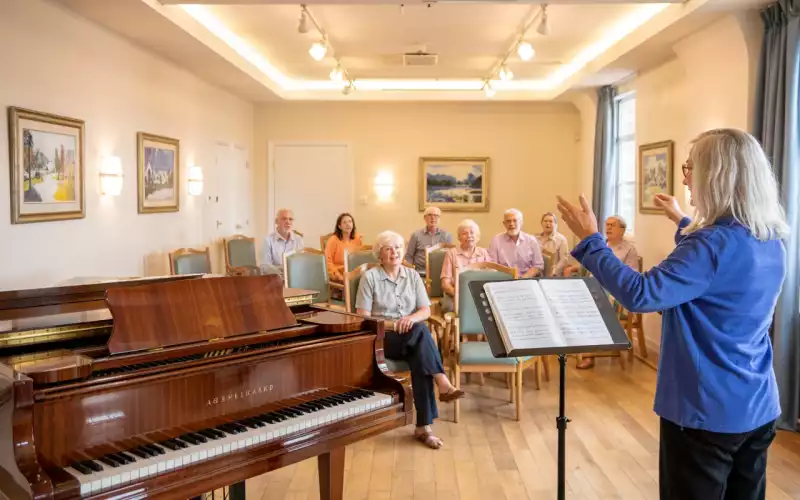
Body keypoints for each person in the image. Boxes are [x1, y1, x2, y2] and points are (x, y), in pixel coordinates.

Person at [556, 128, 788, 500]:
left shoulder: (708, 244)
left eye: (690, 166)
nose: (684, 177)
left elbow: (641, 293)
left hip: (704, 409)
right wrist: (684, 222)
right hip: (756, 404)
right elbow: (714, 274)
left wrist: (591, 241)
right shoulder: (771, 238)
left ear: (716, 174)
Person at [356, 231, 465, 449]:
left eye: (397, 247)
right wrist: (395, 324)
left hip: (410, 337)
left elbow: (425, 309)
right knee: (421, 332)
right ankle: (441, 381)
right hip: (383, 338)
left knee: (420, 350)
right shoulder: (370, 277)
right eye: (388, 248)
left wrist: (409, 319)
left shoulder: (412, 276)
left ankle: (424, 427)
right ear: (380, 253)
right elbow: (363, 316)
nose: (394, 252)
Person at [562, 215, 639, 278]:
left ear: (622, 230)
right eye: (607, 225)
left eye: (612, 225)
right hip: (592, 282)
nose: (608, 228)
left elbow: (632, 275)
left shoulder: (629, 250)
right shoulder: (599, 245)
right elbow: (588, 264)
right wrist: (574, 268)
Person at [440, 219, 490, 313]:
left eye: (472, 233)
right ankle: (455, 327)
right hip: (456, 293)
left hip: (478, 294)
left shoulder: (483, 253)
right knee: (449, 307)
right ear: (459, 237)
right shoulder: (451, 254)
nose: (469, 236)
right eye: (464, 233)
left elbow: (490, 276)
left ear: (478, 236)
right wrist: (459, 294)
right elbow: (445, 284)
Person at [488, 208, 544, 278]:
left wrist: (523, 279)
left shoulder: (531, 240)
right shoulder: (496, 240)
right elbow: (492, 265)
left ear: (521, 223)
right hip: (504, 280)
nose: (511, 224)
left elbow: (538, 266)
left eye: (515, 221)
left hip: (526, 280)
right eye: (508, 221)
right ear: (504, 224)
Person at [404, 207, 453, 275]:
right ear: (425, 218)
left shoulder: (447, 235)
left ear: (439, 219)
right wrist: (411, 272)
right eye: (430, 215)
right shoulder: (416, 235)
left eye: (436, 215)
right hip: (419, 273)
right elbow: (409, 256)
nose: (433, 218)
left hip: (440, 273)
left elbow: (450, 257)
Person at [260, 208, 303, 277]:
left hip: (295, 278)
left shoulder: (298, 240)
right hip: (275, 279)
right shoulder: (268, 240)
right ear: (276, 221)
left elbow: (301, 263)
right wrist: (283, 273)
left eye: (290, 219)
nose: (288, 222)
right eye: (284, 219)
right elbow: (265, 266)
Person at [324, 213, 363, 284]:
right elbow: (327, 261)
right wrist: (337, 275)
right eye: (344, 222)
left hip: (354, 273)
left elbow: (360, 258)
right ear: (339, 226)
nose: (348, 224)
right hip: (339, 273)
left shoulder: (357, 239)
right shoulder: (333, 240)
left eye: (350, 221)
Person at [535, 212, 570, 276]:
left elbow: (564, 260)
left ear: (555, 224)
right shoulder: (535, 239)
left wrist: (554, 273)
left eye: (551, 221)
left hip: (553, 276)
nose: (548, 223)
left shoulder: (561, 240)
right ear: (541, 223)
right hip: (536, 274)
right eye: (545, 221)